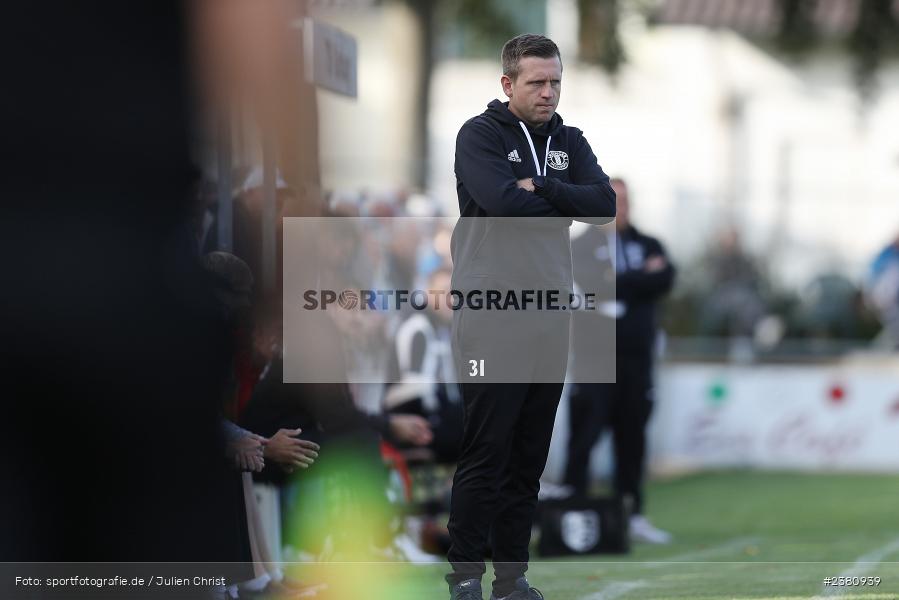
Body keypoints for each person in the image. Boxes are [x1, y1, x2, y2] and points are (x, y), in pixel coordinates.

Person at [446, 34, 616, 600]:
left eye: (555, 81)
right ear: (508, 84)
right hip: (492, 311)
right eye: (537, 82)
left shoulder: (570, 138)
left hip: (550, 310)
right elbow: (502, 203)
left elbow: (604, 205)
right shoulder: (480, 134)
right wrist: (566, 200)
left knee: (529, 455)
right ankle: (465, 577)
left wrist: (543, 185)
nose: (548, 92)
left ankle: (512, 579)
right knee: (487, 449)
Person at [563, 178, 676, 544]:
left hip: (636, 360)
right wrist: (639, 279)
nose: (620, 208)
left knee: (632, 439)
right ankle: (572, 515)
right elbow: (590, 285)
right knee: (585, 437)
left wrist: (618, 283)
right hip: (594, 359)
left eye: (625, 201)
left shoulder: (648, 243)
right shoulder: (579, 247)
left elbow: (664, 279)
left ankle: (633, 513)